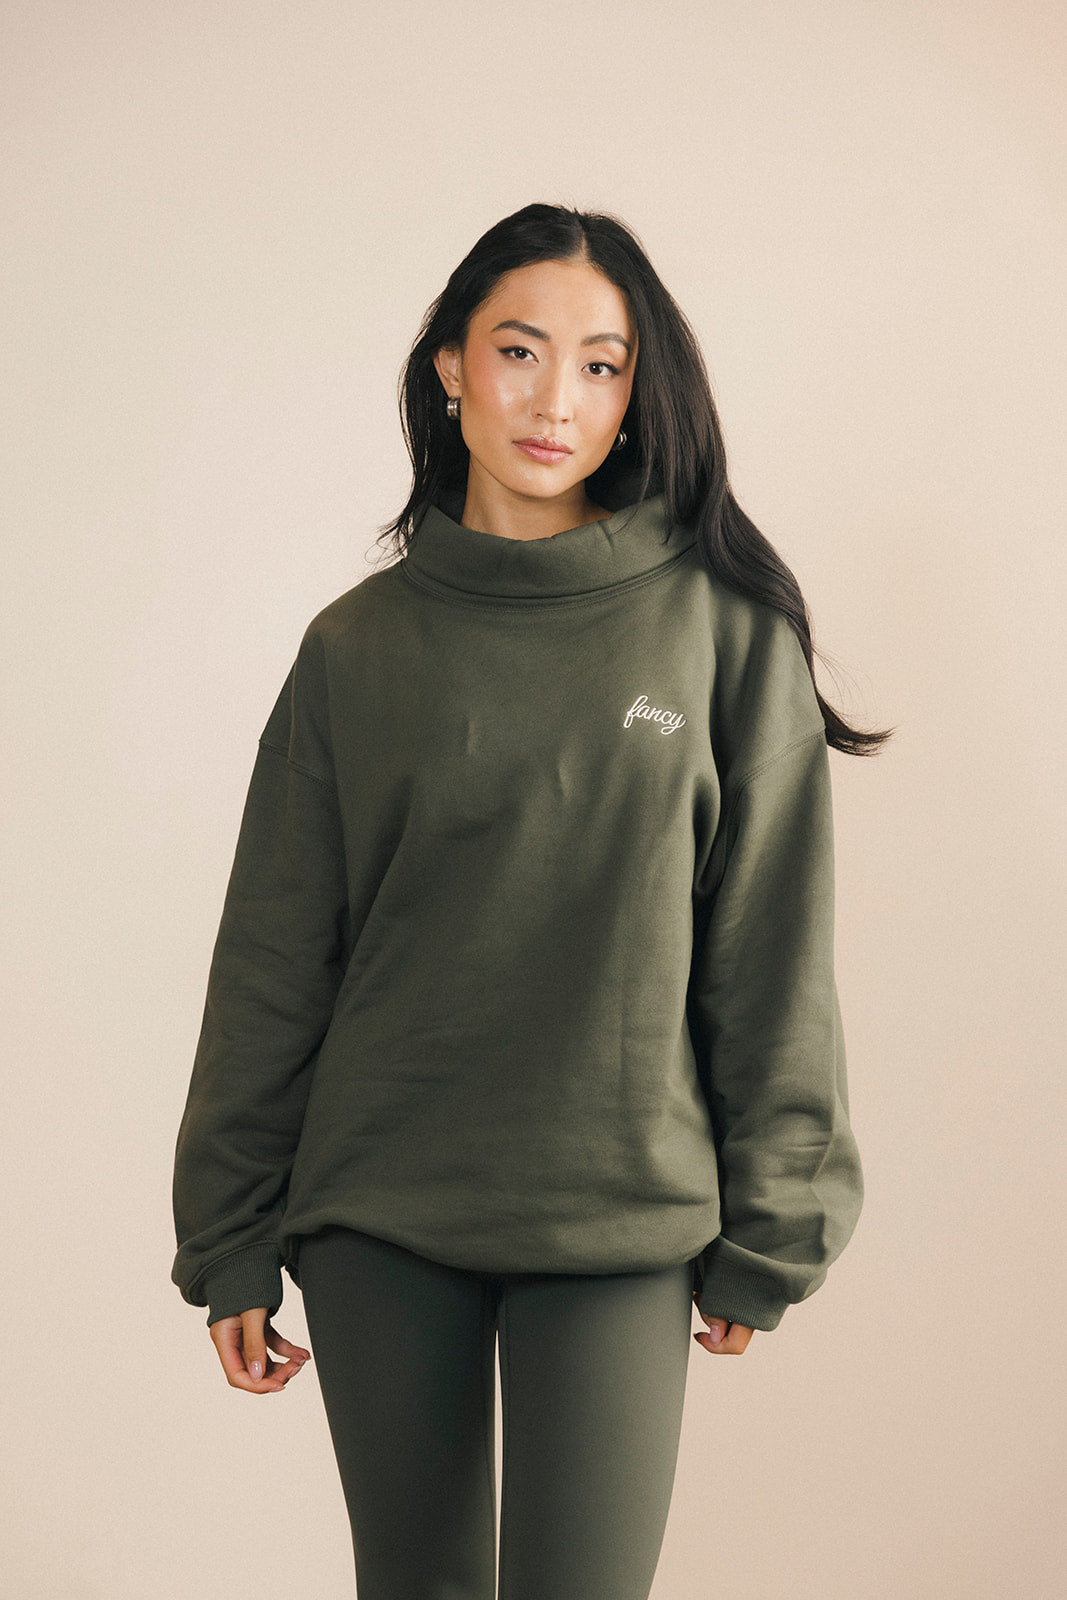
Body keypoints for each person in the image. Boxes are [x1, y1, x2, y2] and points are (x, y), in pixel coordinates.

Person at [171, 201, 887, 1599]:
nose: (558, 399)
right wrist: (230, 1232)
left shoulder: (724, 634)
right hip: (380, 1210)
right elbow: (274, 957)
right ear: (450, 365)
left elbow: (771, 953)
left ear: (637, 393)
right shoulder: (355, 649)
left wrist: (776, 1218)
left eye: (602, 366)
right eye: (518, 350)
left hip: (620, 1216)